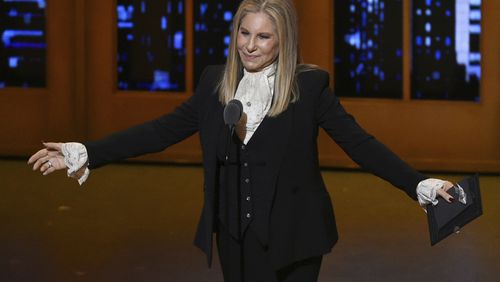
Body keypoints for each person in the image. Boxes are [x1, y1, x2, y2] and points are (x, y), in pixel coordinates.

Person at [28, 0, 455, 281]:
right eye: (244, 33)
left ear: (282, 39)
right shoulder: (216, 83)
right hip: (234, 234)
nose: (250, 46)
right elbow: (158, 132)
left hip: (294, 236)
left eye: (263, 36)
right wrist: (85, 152)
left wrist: (419, 184)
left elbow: (360, 144)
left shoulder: (308, 87)